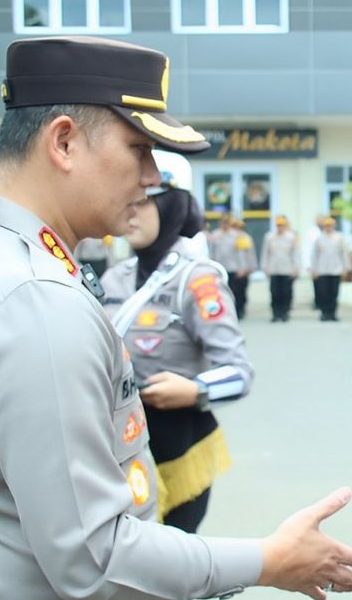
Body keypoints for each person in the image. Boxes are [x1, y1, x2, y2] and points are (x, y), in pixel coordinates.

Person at [0, 35, 352, 599]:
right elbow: (95, 559)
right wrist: (269, 560)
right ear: (65, 142)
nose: (152, 176)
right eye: (139, 150)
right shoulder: (35, 297)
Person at [100, 150, 251, 533]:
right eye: (125, 201)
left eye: (142, 203)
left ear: (172, 205)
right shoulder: (113, 278)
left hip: (177, 450)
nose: (129, 212)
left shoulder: (197, 280)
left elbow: (239, 373)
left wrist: (194, 389)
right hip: (115, 448)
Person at [209, 216, 257, 320]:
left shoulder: (237, 236)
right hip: (220, 268)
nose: (225, 225)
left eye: (227, 223)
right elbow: (211, 252)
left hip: (233, 268)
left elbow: (241, 254)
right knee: (220, 292)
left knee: (235, 292)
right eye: (223, 223)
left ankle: (237, 311)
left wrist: (243, 267)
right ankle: (223, 311)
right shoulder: (215, 235)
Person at [263, 215, 300, 322]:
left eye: (282, 225)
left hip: (287, 269)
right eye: (278, 225)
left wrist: (296, 268)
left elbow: (295, 253)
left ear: (285, 225)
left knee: (286, 293)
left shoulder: (291, 237)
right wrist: (265, 267)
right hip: (273, 269)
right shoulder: (269, 237)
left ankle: (285, 313)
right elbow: (266, 253)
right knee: (274, 292)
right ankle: (276, 313)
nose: (280, 227)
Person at [312, 217, 349, 321]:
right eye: (326, 226)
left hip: (336, 270)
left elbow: (344, 254)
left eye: (330, 225)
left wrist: (345, 268)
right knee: (323, 293)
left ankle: (332, 313)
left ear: (334, 226)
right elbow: (314, 255)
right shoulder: (319, 239)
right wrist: (314, 269)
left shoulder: (339, 238)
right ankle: (324, 313)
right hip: (322, 270)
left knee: (334, 293)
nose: (328, 228)